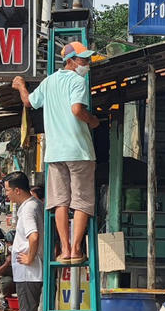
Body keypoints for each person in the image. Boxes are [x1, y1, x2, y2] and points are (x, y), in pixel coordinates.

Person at [12, 41, 100, 264]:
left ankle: (65, 249)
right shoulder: (79, 81)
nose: (87, 63)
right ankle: (77, 249)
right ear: (70, 61)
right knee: (81, 201)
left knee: (60, 202)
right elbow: (77, 109)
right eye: (83, 59)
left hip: (54, 153)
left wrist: (21, 85)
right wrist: (93, 121)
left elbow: (28, 102)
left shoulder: (48, 82)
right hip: (79, 151)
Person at [3, 171, 44, 311]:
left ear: (18, 190)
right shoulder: (33, 206)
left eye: (8, 190)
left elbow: (34, 236)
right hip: (30, 271)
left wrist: (29, 257)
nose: (6, 194)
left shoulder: (28, 209)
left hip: (30, 272)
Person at [0, 230, 15, 299]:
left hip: (20, 279)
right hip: (7, 280)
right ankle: (6, 299)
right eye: (11, 243)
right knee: (7, 282)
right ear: (7, 243)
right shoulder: (0, 253)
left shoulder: (22, 250)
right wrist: (6, 264)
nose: (13, 246)